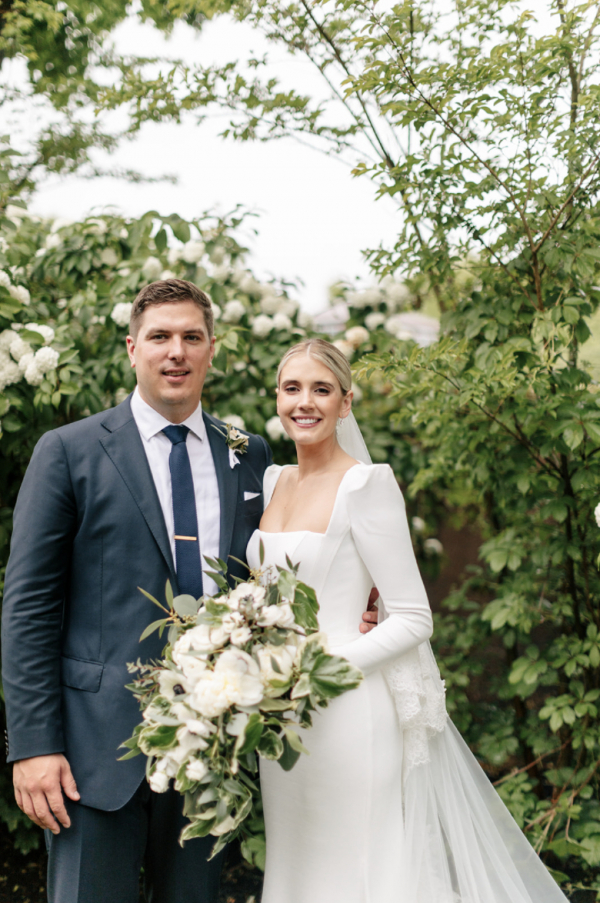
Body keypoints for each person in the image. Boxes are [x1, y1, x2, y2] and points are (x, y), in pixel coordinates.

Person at [246, 338, 570, 903]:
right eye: (292, 388)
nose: (305, 402)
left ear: (346, 403)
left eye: (321, 390)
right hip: (281, 716)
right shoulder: (274, 481)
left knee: (357, 870)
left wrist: (317, 670)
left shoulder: (366, 486)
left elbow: (414, 617)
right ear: (276, 397)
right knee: (295, 866)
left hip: (346, 709)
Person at [1, 279, 274, 903]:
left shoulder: (249, 455)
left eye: (190, 337)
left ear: (212, 350)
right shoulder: (68, 452)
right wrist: (35, 746)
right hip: (93, 755)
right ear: (132, 349)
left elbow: (278, 570)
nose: (175, 351)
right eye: (160, 337)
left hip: (214, 752)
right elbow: (27, 610)